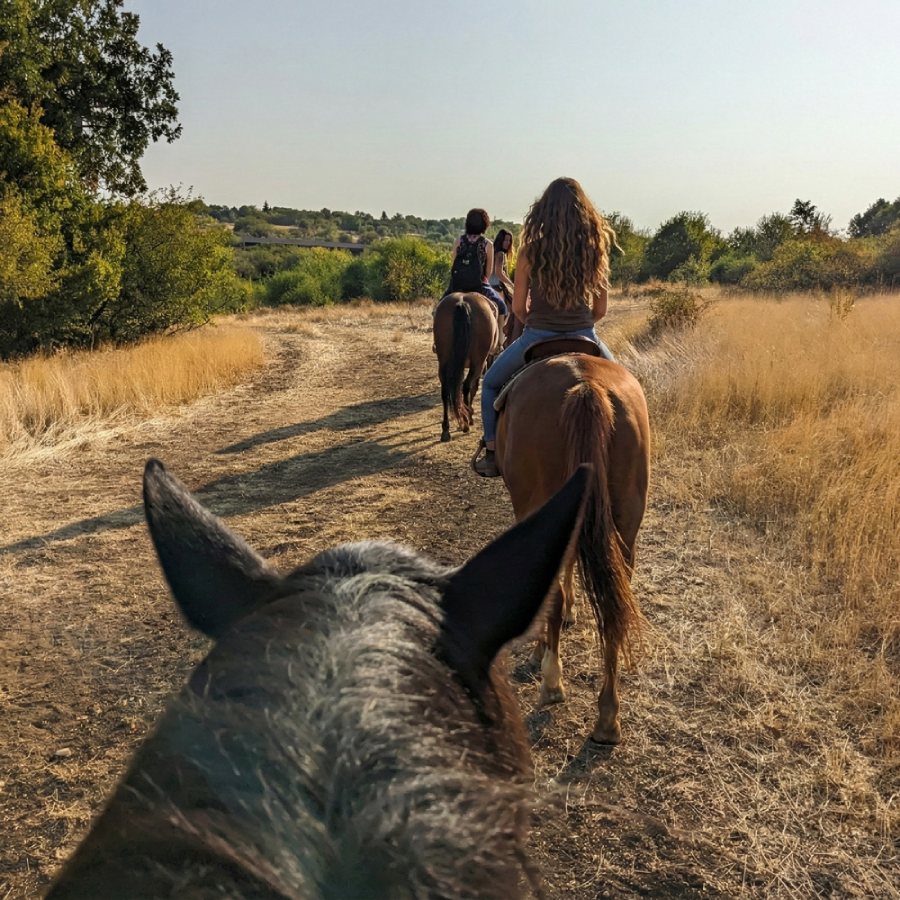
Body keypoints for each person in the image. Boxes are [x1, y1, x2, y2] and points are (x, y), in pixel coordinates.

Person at [473, 177, 617, 478]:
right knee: (625, 388)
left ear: (542, 211)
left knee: (490, 385)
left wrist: (536, 322)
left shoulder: (529, 252)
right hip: (585, 335)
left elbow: (517, 307)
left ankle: (491, 452)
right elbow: (600, 310)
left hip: (538, 335)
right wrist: (580, 323)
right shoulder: (595, 248)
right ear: (585, 213)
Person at [447, 208, 508, 331]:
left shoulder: (459, 241)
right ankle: (500, 343)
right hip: (479, 286)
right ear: (484, 224)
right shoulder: (487, 244)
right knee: (502, 307)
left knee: (438, 309)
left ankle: (437, 342)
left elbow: (453, 264)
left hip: (457, 286)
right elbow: (488, 272)